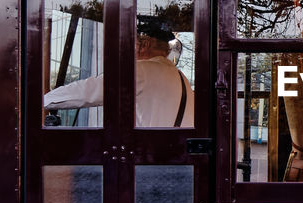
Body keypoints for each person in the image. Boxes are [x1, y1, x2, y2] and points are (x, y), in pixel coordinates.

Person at [44, 19, 193, 128]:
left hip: (154, 163)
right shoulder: (179, 76)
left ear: (144, 45)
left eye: (131, 43)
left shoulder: (142, 70)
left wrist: (43, 101)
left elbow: (89, 90)